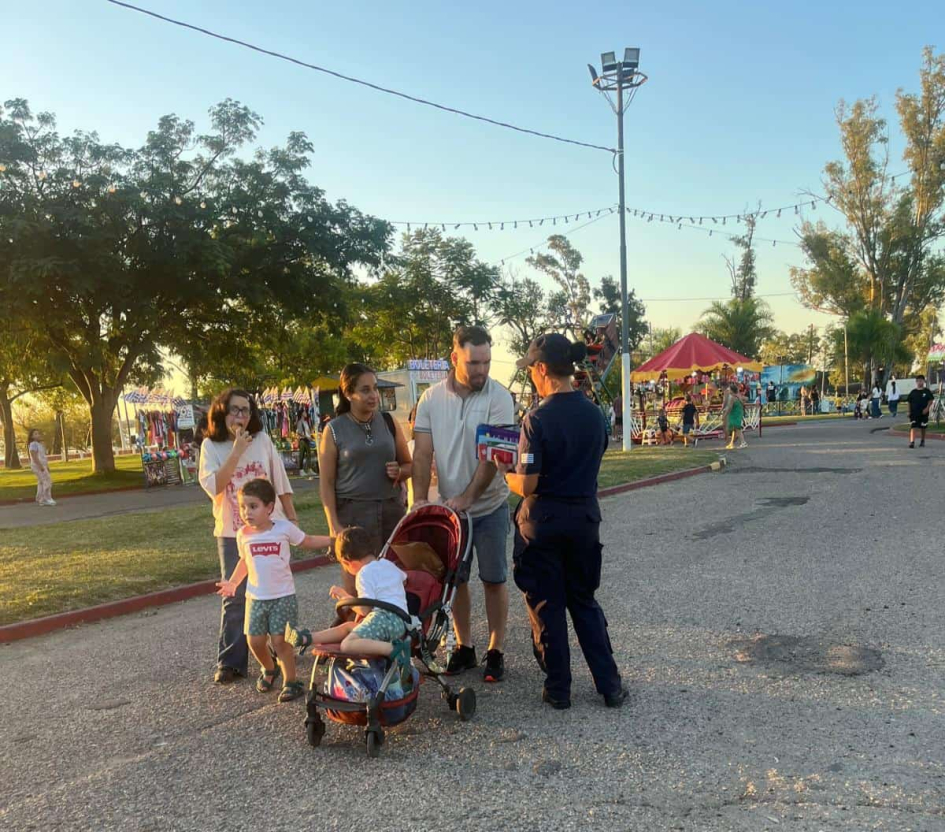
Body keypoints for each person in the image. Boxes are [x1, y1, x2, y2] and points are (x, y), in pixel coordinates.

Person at [497, 333, 626, 710]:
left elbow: (529, 481)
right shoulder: (594, 413)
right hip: (584, 518)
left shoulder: (537, 418)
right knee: (584, 602)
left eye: (531, 371)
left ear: (541, 370)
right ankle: (610, 686)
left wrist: (505, 471)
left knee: (547, 606)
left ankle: (558, 689)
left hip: (543, 522)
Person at [412, 325, 514, 683]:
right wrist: (421, 500)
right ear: (454, 358)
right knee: (456, 580)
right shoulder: (430, 400)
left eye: (486, 362)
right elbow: (422, 454)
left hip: (488, 506)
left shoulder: (500, 398)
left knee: (494, 578)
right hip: (451, 512)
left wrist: (468, 498)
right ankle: (465, 646)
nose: (481, 370)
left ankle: (496, 649)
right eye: (473, 363)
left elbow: (493, 458)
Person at [198, 388, 298, 685]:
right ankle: (231, 660)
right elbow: (214, 486)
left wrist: (290, 516)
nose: (241, 416)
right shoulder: (211, 446)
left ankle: (285, 648)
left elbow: (280, 480)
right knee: (236, 595)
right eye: (235, 410)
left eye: (246, 410)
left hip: (271, 528)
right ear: (221, 413)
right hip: (233, 532)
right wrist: (237, 451)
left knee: (279, 591)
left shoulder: (264, 441)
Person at [216, 478, 333, 702]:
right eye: (243, 507)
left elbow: (306, 540)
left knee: (282, 641)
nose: (246, 512)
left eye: (253, 506)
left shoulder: (283, 529)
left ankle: (291, 681)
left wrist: (333, 540)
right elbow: (244, 562)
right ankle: (270, 669)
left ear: (269, 508)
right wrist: (232, 583)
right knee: (255, 641)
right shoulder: (243, 535)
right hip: (256, 598)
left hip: (283, 597)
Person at [319, 363, 412, 596]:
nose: (373, 396)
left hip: (391, 511)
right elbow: (326, 483)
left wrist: (400, 472)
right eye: (366, 390)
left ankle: (395, 630)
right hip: (353, 515)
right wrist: (334, 526)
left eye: (375, 388)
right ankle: (358, 631)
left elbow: (410, 465)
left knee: (396, 581)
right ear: (349, 393)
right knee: (358, 588)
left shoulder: (389, 422)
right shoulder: (333, 430)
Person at [286, 526, 410, 662]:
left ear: (347, 562)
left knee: (347, 645)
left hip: (384, 620)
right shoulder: (387, 564)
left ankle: (394, 649)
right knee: (348, 627)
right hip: (400, 621)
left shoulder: (364, 573)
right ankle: (306, 637)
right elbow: (404, 579)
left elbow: (364, 609)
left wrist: (344, 596)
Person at [27, 428, 56, 507]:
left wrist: (46, 466)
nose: (38, 435)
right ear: (32, 436)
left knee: (41, 481)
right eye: (35, 434)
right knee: (47, 480)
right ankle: (45, 499)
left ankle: (40, 498)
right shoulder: (33, 444)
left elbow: (43, 457)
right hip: (38, 465)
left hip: (42, 465)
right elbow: (34, 456)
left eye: (38, 433)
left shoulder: (39, 444)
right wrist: (40, 466)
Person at [907, 374, 935, 448]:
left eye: (921, 381)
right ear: (916, 382)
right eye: (918, 381)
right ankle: (912, 442)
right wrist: (909, 411)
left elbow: (931, 400)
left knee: (923, 427)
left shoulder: (927, 391)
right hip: (914, 413)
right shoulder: (913, 392)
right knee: (913, 426)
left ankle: (922, 441)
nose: (920, 382)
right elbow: (909, 402)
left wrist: (927, 408)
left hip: (923, 413)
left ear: (924, 381)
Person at [725, 383, 747, 449]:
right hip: (738, 413)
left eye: (729, 389)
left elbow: (729, 408)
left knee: (737, 428)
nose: (728, 390)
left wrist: (725, 414)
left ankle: (743, 442)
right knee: (735, 429)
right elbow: (744, 401)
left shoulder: (732, 398)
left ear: (732, 390)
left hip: (734, 414)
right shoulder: (737, 396)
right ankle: (732, 443)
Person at [296, 411, 314, 476]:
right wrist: (306, 436)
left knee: (309, 454)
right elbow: (299, 432)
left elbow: (307, 431)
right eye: (304, 412)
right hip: (303, 440)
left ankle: (309, 469)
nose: (306, 413)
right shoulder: (300, 422)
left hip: (307, 440)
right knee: (302, 455)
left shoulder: (306, 422)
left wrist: (310, 436)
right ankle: (301, 470)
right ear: (301, 414)